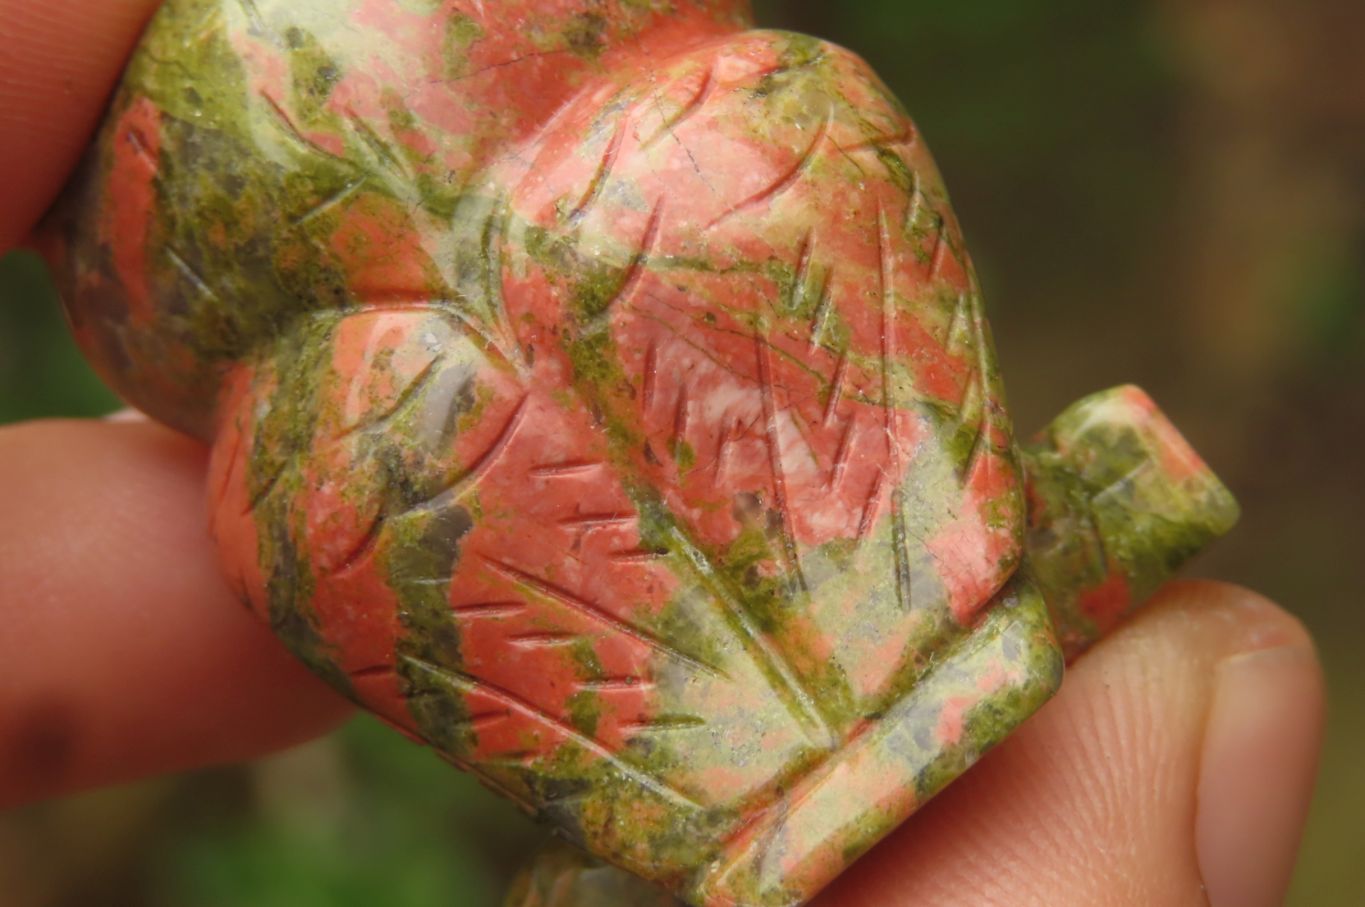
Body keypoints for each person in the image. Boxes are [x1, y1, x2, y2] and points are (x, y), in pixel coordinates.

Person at [0, 3, 1324, 905]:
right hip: (371, 408)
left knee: (728, 152)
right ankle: (731, 768)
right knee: (344, 460)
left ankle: (924, 608)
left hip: (670, 157)